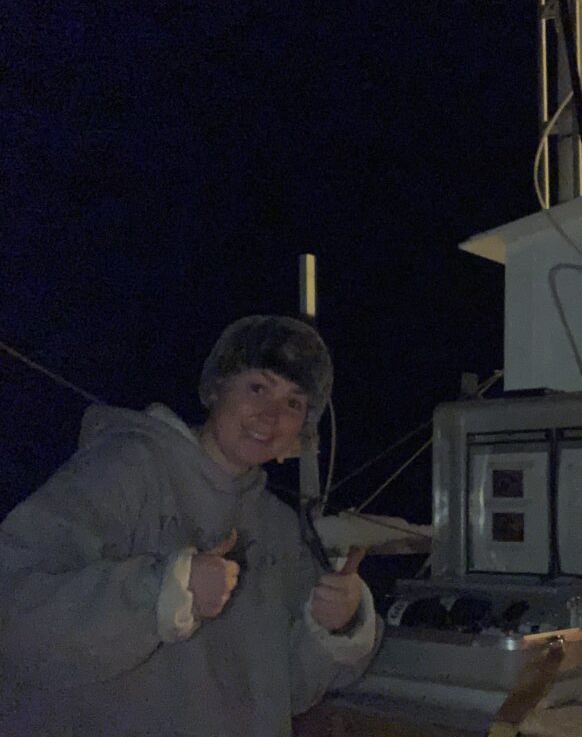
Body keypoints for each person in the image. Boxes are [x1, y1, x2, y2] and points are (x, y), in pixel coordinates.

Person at [0, 315, 381, 736]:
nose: (271, 415)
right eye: (258, 387)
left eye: (294, 403)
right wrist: (163, 592)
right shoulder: (125, 470)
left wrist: (336, 624)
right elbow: (13, 609)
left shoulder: (280, 527)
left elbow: (286, 691)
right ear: (216, 387)